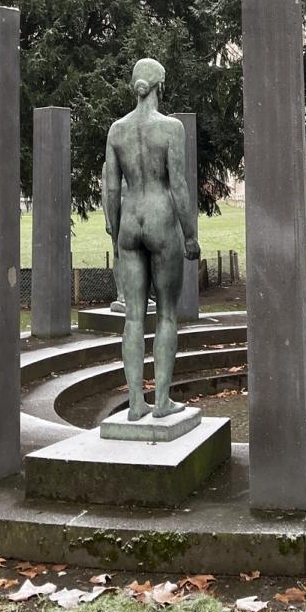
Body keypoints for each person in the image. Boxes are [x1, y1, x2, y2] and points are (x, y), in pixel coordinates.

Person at [103, 59, 200, 420]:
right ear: (161, 85)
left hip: (129, 223)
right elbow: (178, 185)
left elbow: (112, 188)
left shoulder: (117, 130)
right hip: (161, 221)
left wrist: (116, 233)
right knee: (166, 315)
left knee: (132, 318)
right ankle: (161, 401)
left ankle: (134, 403)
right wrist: (190, 235)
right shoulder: (171, 128)